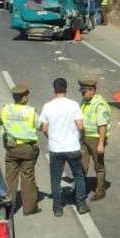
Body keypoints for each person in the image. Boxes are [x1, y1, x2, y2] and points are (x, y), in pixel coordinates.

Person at [39, 77, 89, 217]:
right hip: (72, 147)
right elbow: (80, 125)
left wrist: (51, 138)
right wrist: (81, 138)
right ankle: (81, 204)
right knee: (78, 175)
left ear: (54, 90)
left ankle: (58, 208)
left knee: (55, 179)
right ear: (66, 89)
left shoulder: (48, 106)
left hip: (56, 149)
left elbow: (44, 128)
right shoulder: (73, 105)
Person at [0, 83, 41, 215]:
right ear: (23, 98)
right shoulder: (30, 111)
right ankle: (29, 208)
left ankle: (8, 209)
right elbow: (39, 126)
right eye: (26, 95)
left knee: (10, 178)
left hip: (11, 147)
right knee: (27, 177)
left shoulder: (6, 109)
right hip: (26, 148)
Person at [78, 75, 111, 201]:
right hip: (84, 138)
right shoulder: (83, 102)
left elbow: (102, 126)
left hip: (96, 139)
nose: (82, 94)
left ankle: (100, 191)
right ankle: (80, 190)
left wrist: (101, 144)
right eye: (81, 92)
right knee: (82, 164)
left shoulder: (99, 105)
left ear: (92, 90)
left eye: (84, 91)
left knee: (99, 166)